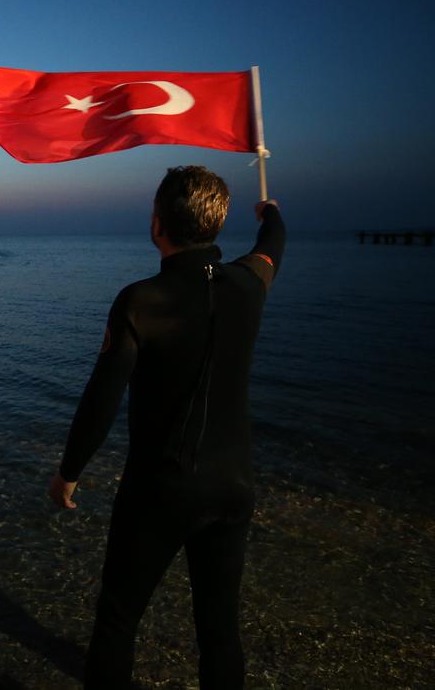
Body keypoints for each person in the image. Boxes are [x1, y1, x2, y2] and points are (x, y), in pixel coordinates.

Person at [47, 166, 285, 689]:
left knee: (117, 619)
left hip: (161, 489)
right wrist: (270, 214)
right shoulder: (250, 284)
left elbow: (101, 400)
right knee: (219, 630)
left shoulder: (140, 301)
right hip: (233, 488)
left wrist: (69, 471)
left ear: (157, 224)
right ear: (218, 223)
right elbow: (273, 245)